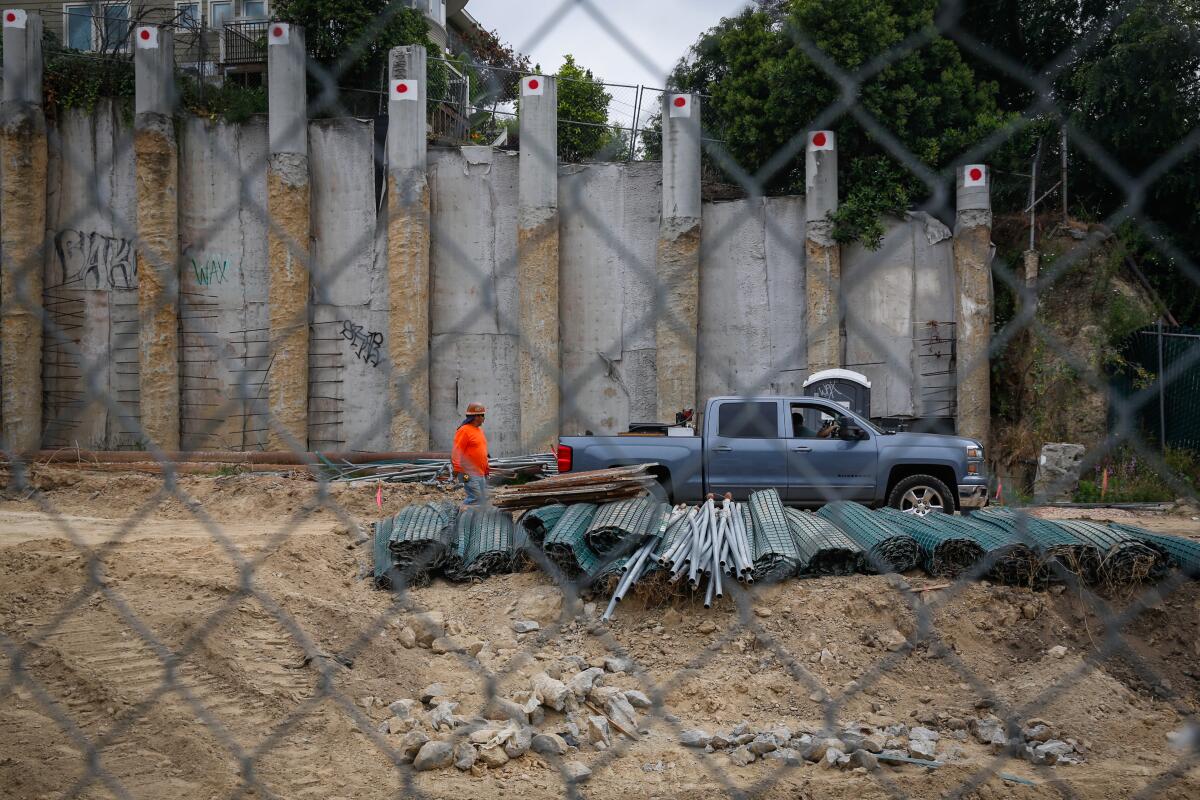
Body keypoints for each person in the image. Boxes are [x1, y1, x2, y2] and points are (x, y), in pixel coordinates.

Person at [452, 402, 490, 508]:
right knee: (475, 498)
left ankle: (475, 520)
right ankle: (462, 515)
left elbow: (482, 451)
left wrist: (486, 468)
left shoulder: (479, 431)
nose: (484, 418)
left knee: (481, 498)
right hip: (467, 473)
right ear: (476, 416)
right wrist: (457, 469)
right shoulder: (464, 431)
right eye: (482, 415)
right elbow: (457, 451)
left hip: (480, 473)